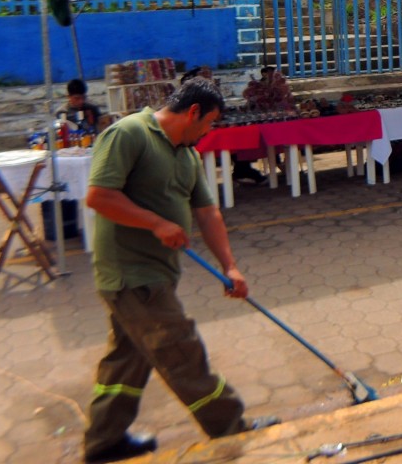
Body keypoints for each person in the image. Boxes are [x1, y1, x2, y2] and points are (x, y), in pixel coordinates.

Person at [82, 77, 278, 463]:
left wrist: (231, 268)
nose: (209, 132)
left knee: (126, 362)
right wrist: (156, 223)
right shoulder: (129, 134)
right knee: (182, 352)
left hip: (158, 273)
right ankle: (231, 427)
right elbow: (99, 196)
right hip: (131, 275)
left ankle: (104, 444)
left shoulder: (185, 155)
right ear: (193, 112)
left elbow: (207, 212)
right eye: (210, 123)